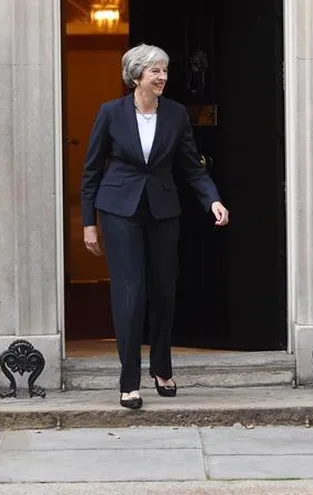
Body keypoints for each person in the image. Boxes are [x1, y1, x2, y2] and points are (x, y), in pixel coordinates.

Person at [81, 43, 230, 409]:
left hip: (163, 210)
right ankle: (128, 379)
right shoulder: (111, 113)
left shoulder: (177, 114)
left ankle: (161, 367)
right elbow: (91, 171)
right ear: (136, 76)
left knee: (163, 291)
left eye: (164, 70)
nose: (162, 77)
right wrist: (88, 223)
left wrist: (212, 198)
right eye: (155, 71)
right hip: (119, 210)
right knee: (131, 294)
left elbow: (192, 167)